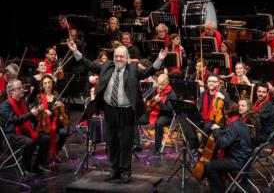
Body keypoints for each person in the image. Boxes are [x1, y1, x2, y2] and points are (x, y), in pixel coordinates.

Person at [67, 39, 167, 183]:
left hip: (127, 111)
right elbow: (89, 64)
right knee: (112, 141)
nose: (118, 59)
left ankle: (126, 170)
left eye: (121, 56)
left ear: (127, 58)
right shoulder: (107, 66)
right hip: (109, 110)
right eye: (116, 56)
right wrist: (75, 51)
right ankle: (114, 169)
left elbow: (147, 72)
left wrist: (159, 59)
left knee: (126, 142)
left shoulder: (132, 68)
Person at [0, 79, 51, 175]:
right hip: (13, 134)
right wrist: (31, 113)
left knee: (46, 139)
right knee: (29, 142)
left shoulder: (23, 102)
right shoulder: (4, 106)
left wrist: (40, 113)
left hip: (26, 131)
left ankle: (37, 166)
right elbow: (17, 121)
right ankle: (25, 168)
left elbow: (31, 119)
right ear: (12, 91)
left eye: (22, 87)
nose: (23, 89)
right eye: (19, 88)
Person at [204, 102, 253, 193]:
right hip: (245, 159)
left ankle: (219, 190)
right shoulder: (239, 123)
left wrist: (216, 130)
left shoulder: (233, 126)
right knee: (215, 160)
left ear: (226, 114)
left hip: (238, 161)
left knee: (208, 166)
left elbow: (222, 143)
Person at [138, 73, 177, 155]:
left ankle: (157, 148)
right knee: (136, 119)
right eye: (158, 83)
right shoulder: (155, 89)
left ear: (167, 84)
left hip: (165, 115)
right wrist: (145, 100)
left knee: (159, 124)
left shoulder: (171, 94)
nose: (159, 86)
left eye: (162, 85)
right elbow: (144, 96)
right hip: (152, 112)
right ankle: (136, 144)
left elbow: (169, 110)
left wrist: (159, 102)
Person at [37, 75, 68, 163]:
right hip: (44, 124)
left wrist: (62, 106)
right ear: (43, 85)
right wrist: (43, 110)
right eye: (45, 83)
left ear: (52, 84)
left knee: (64, 132)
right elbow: (36, 110)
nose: (48, 85)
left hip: (56, 123)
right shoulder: (40, 97)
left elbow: (62, 111)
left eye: (49, 82)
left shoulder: (57, 95)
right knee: (46, 137)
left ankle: (55, 151)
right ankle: (48, 153)